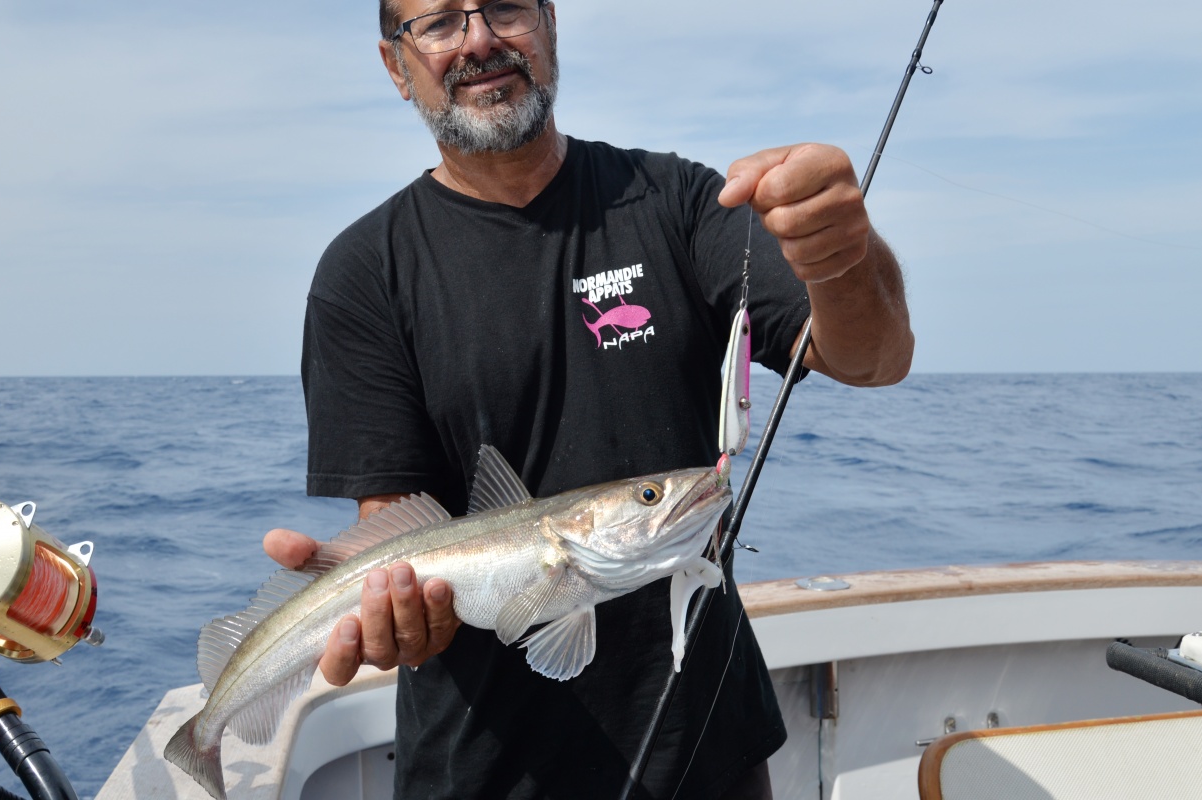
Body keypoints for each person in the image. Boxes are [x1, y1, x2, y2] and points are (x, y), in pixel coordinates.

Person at [263, 0, 913, 796]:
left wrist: (842, 258)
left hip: (708, 751)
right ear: (397, 66)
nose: (478, 40)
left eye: (504, 8)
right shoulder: (364, 273)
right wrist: (390, 614)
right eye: (437, 23)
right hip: (484, 775)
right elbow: (393, 524)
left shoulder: (676, 201)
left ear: (550, 24)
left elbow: (874, 358)